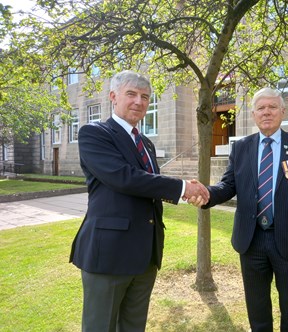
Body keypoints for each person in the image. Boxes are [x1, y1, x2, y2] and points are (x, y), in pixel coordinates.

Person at [69, 70, 209, 332]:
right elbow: (126, 178)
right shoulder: (95, 133)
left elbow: (147, 187)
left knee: (134, 327)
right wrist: (181, 187)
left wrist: (183, 193)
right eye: (131, 94)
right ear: (113, 97)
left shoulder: (145, 142)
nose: (139, 101)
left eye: (145, 97)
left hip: (145, 255)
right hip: (109, 255)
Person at [197, 87, 288, 331]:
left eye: (272, 107)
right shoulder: (241, 147)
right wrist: (207, 193)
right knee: (257, 312)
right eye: (261, 108)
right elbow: (228, 185)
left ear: (283, 112)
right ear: (253, 114)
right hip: (251, 241)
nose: (267, 112)